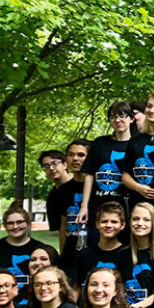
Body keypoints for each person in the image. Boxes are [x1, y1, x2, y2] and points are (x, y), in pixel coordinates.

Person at [76, 102, 135, 243]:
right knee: (95, 243)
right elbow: (89, 175)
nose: (118, 120)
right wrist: (84, 206)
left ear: (131, 118)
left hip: (125, 206)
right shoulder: (100, 143)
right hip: (98, 205)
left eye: (122, 116)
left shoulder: (137, 144)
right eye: (113, 117)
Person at [0, 204, 46, 299]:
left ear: (28, 224)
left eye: (19, 222)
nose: (15, 226)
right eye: (10, 223)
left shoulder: (40, 249)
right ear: (5, 226)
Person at [75, 202, 131, 290]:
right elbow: (78, 287)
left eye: (114, 222)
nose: (108, 225)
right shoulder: (84, 255)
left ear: (122, 225)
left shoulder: (129, 255)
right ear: (97, 224)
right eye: (104, 221)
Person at [56, 139, 91, 272]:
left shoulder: (97, 188)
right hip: (70, 253)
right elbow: (63, 225)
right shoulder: (63, 190)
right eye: (70, 155)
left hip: (91, 248)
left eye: (81, 155)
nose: (75, 159)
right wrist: (63, 254)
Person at [127, 202, 154, 306]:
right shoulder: (123, 254)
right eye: (136, 219)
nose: (140, 223)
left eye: (146, 220)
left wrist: (137, 307)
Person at [39, 150, 73, 237]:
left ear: (65, 164)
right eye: (46, 166)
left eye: (55, 163)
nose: (51, 168)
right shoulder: (53, 198)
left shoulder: (84, 185)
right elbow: (61, 230)